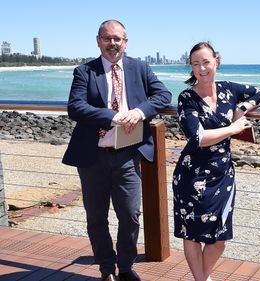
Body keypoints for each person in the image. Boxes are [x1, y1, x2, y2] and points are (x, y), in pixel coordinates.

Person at [62, 19, 172, 281]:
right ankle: (106, 269)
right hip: (92, 157)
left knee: (131, 215)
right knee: (96, 217)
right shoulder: (84, 71)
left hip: (127, 154)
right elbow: (75, 107)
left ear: (126, 41)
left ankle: (125, 266)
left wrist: (138, 111)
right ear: (98, 40)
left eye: (118, 39)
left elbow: (163, 96)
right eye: (107, 38)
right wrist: (112, 117)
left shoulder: (140, 68)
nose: (113, 43)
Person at [172, 42, 260, 281]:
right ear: (191, 68)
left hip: (223, 175)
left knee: (219, 239)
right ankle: (201, 279)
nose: (202, 68)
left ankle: (202, 278)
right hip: (192, 175)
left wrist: (243, 107)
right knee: (191, 234)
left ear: (217, 61)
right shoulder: (187, 97)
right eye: (196, 64)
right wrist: (233, 127)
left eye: (206, 62)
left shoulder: (229, 90)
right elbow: (198, 138)